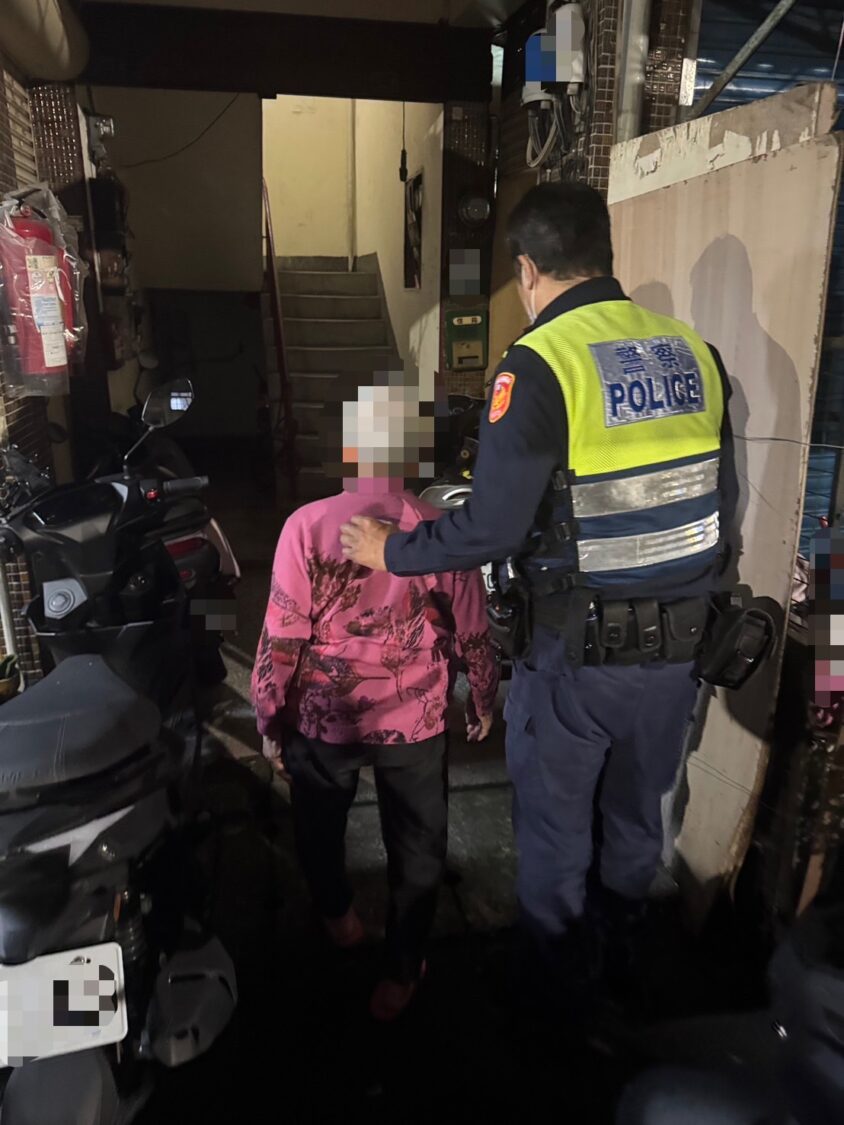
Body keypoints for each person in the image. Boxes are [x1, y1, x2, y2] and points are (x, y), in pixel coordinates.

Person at [340, 182, 738, 1016]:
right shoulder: (693, 354)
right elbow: (718, 507)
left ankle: (557, 1006)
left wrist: (392, 550)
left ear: (527, 269)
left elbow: (491, 528)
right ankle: (621, 964)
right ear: (605, 254)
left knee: (555, 835)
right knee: (635, 819)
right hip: (678, 654)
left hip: (575, 661)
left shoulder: (538, 363)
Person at [252, 378, 498, 1022]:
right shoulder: (440, 531)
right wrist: (482, 697)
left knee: (319, 826)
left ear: (346, 448)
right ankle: (403, 967)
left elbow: (282, 636)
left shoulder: (306, 526)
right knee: (417, 844)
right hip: (414, 715)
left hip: (322, 715)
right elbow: (473, 630)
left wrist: (269, 717)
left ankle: (339, 920)